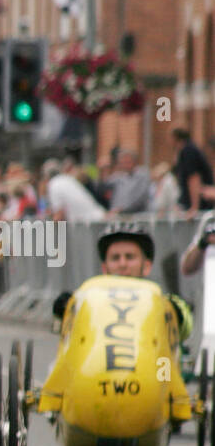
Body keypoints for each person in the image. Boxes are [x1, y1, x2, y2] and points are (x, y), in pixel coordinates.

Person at [54, 222, 193, 342]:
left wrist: (175, 313)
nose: (122, 264)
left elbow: (185, 322)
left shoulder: (160, 300)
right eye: (115, 258)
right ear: (104, 268)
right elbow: (63, 321)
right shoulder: (90, 300)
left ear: (146, 266)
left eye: (130, 257)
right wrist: (68, 305)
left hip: (150, 366)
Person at [172, 128, 213, 216]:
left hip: (200, 205)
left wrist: (194, 207)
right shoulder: (189, 150)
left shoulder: (188, 151)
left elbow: (193, 177)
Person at [104, 148, 151, 215]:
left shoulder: (142, 176)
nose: (124, 165)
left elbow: (139, 198)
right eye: (122, 163)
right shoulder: (120, 177)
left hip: (137, 216)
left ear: (134, 161)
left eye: (127, 162)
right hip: (119, 216)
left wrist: (122, 210)